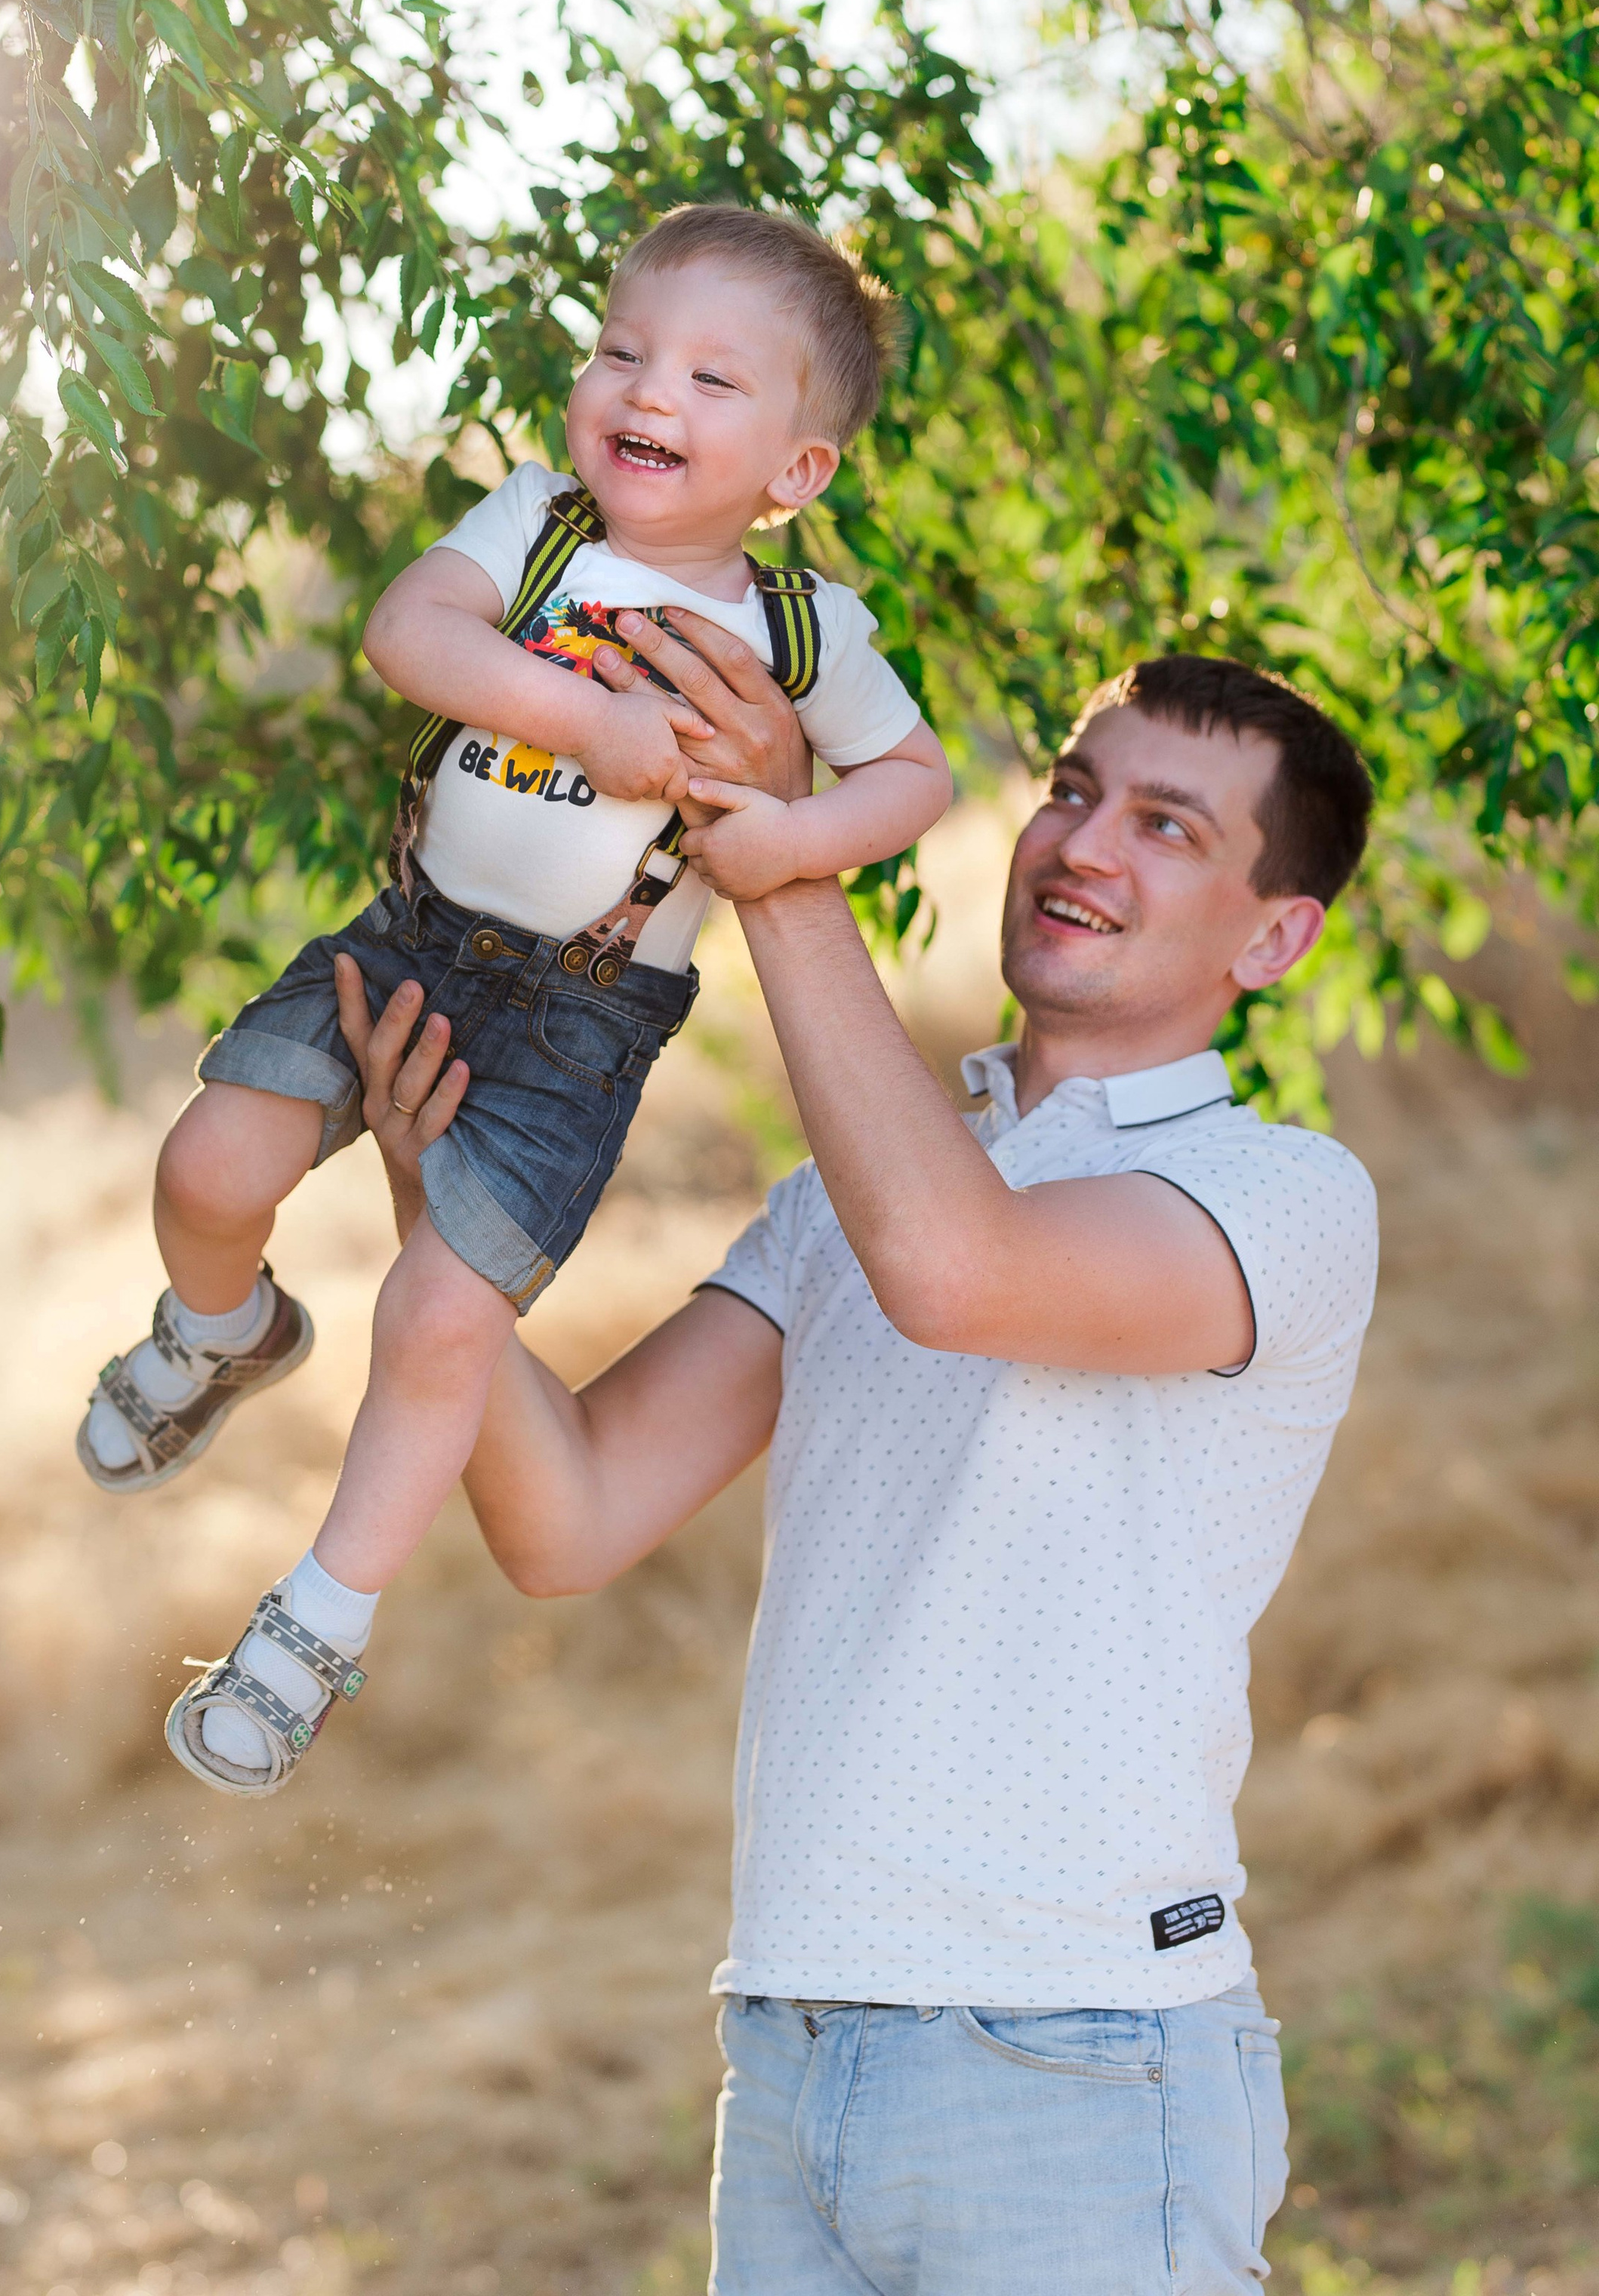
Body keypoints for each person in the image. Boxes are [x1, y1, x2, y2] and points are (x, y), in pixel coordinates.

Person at [337, 639, 1379, 2294]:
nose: (1081, 845)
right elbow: (570, 1513)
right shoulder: (849, 1201)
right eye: (1071, 789)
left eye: (1168, 827)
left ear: (1274, 935)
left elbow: (959, 1277)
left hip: (1076, 2057)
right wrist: (439, 1200)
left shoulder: (1281, 1196)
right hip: (792, 2046)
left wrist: (777, 845)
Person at [75, 205, 951, 1796]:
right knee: (209, 1164)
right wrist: (572, 715)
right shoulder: (537, 524)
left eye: (707, 375)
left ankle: (314, 1626)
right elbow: (407, 632)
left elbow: (915, 772)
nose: (647, 389)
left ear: (794, 472)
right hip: (410, 934)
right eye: (620, 349)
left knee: (438, 1323)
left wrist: (796, 833)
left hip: (576, 1019)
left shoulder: (799, 629)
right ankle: (225, 1326)